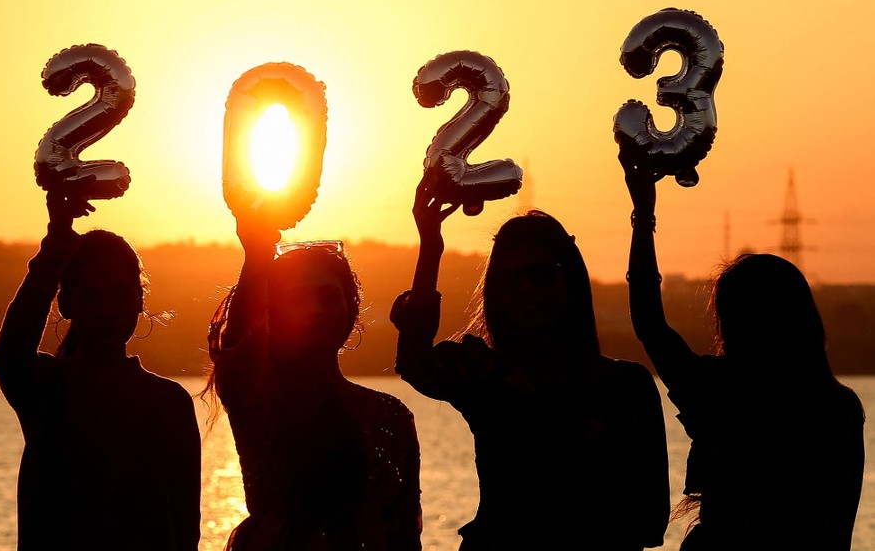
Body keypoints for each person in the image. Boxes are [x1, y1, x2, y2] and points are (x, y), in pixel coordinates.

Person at [389, 177, 671, 550]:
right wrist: (431, 246)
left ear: (569, 279)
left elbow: (651, 521)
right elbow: (415, 363)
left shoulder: (624, 387)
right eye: (511, 280)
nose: (527, 291)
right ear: (497, 292)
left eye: (541, 275)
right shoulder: (486, 375)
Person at [620, 156, 865, 550]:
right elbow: (839, 526)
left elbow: (650, 324)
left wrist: (643, 216)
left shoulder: (719, 390)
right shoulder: (838, 406)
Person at [201, 199, 423, 551]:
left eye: (329, 297)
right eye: (298, 298)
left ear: (351, 307)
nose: (317, 310)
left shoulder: (393, 415)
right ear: (274, 312)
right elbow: (238, 342)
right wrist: (256, 253)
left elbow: (407, 536)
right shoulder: (260, 399)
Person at [0, 186, 202, 550]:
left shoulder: (169, 402)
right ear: (67, 304)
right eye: (93, 296)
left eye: (121, 294)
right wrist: (56, 245)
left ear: (139, 301)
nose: (108, 309)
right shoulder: (47, 388)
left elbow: (185, 528)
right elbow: (10, 353)